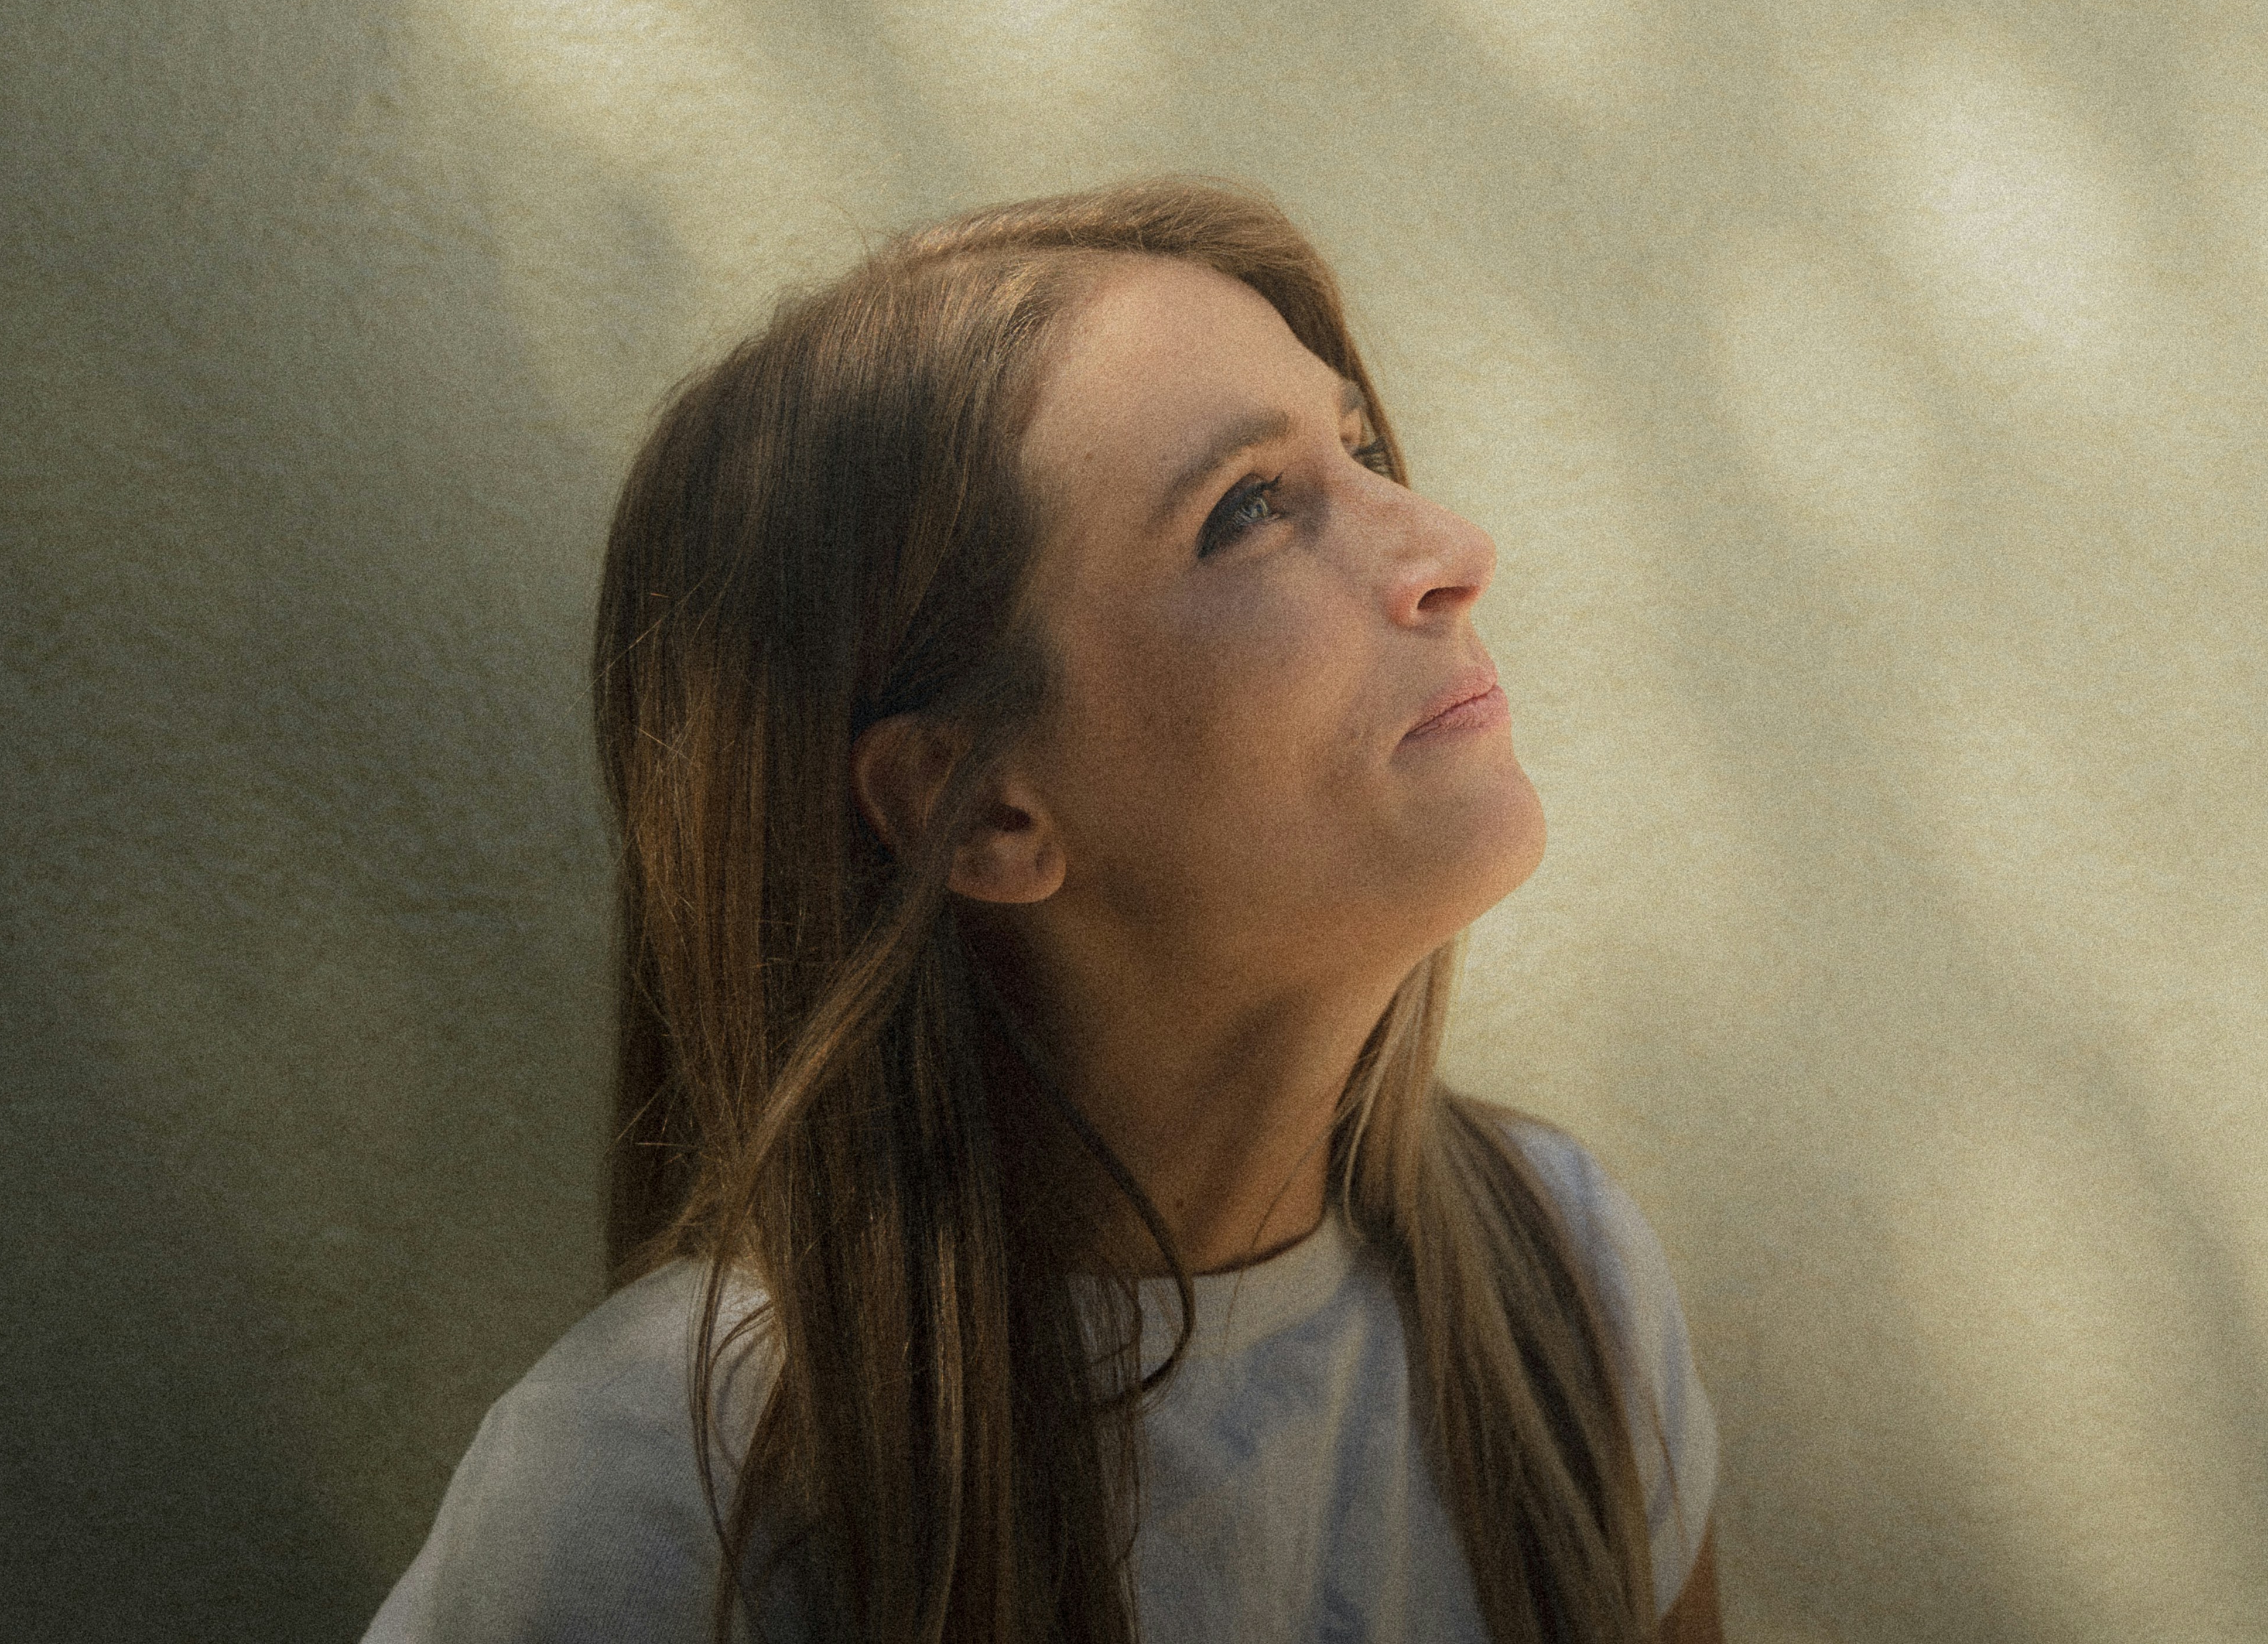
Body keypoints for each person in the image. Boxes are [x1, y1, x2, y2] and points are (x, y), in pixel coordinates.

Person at [364, 180, 1722, 1644]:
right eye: (1249, 511)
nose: (1450, 545)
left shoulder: (1557, 1280)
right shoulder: (659, 1506)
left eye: (1362, 446)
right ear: (980, 806)